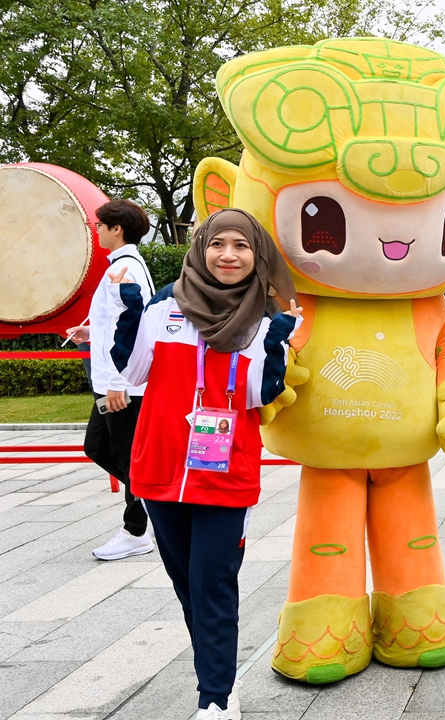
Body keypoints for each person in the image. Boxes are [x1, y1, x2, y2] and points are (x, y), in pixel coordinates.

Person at [110, 209, 300, 720]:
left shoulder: (261, 322)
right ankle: (219, 673)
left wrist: (278, 344)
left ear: (256, 255)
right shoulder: (163, 309)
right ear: (202, 249)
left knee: (212, 580)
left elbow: (259, 395)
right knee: (186, 583)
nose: (229, 255)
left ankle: (214, 697)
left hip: (225, 471)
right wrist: (130, 313)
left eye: (242, 246)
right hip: (161, 468)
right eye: (219, 244)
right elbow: (132, 373)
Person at [70, 199, 157, 561]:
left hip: (123, 385)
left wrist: (120, 381)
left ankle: (136, 530)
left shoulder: (125, 269)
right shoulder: (122, 266)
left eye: (100, 225)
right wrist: (90, 333)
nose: (97, 230)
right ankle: (153, 502)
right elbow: (116, 324)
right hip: (115, 382)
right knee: (99, 448)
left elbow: (136, 327)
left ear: (116, 228)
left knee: (125, 457)